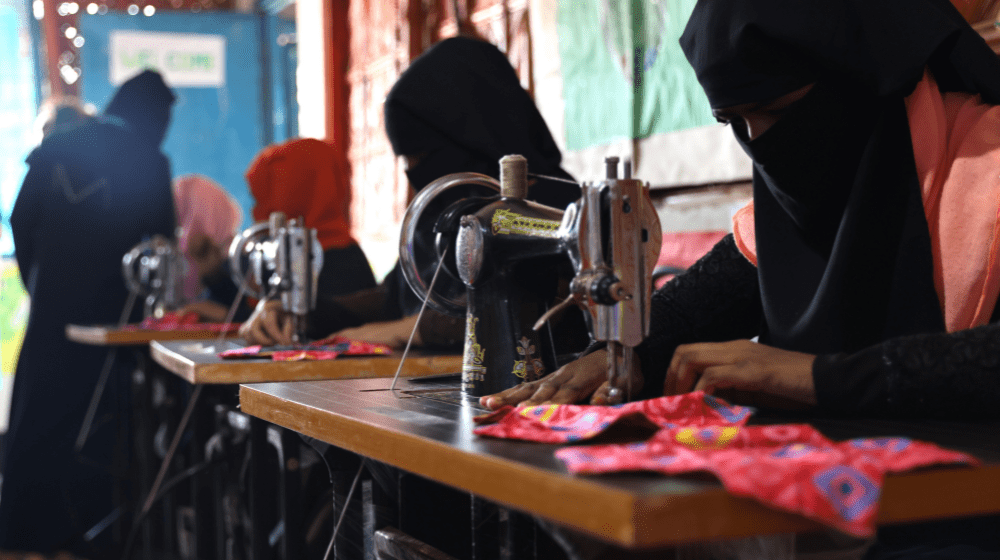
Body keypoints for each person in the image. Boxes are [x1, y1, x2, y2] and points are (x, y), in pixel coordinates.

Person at [483, 0, 1000, 419]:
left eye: (779, 111)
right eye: (735, 122)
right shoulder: (801, 203)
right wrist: (623, 357)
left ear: (864, 75)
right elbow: (696, 306)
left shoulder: (988, 168)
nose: (761, 143)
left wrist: (813, 377)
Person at [241, 36, 582, 349]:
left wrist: (412, 329)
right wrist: (302, 314)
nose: (416, 173)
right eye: (408, 160)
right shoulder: (440, 211)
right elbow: (396, 295)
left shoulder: (555, 211)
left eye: (425, 155)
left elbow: (539, 311)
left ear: (474, 135)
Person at [1, 70, 177, 557]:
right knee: (99, 425)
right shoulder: (151, 160)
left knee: (37, 421)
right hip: (113, 322)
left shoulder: (59, 146)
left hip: (53, 313)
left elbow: (20, 219)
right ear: (156, 118)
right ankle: (92, 539)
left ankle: (21, 538)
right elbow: (161, 248)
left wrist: (42, 281)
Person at [172, 173, 244, 322]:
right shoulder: (200, 264)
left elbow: (250, 316)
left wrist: (207, 309)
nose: (182, 234)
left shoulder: (243, 262)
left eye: (187, 218)